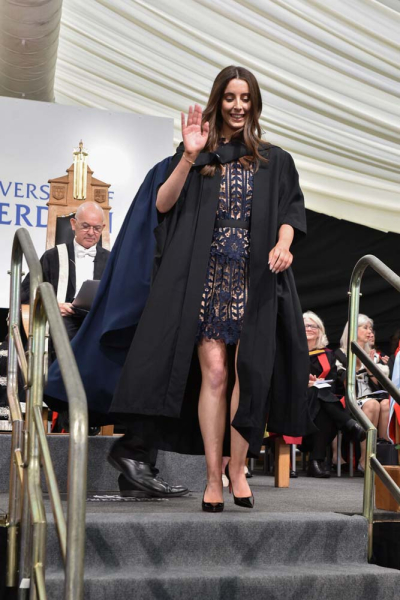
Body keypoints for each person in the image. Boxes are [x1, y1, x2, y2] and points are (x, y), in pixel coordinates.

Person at [107, 65, 314, 512]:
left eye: (245, 98)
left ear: (255, 104)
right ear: (218, 101)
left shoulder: (274, 159)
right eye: (230, 97)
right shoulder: (200, 153)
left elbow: (290, 211)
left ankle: (238, 469)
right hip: (207, 279)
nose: (238, 106)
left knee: (248, 374)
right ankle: (212, 477)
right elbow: (162, 204)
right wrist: (188, 155)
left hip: (255, 279)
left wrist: (283, 244)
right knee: (215, 375)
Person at [21, 201, 109, 341]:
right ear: (73, 224)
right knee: (63, 333)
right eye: (85, 226)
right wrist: (52, 306)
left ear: (103, 228)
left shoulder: (111, 260)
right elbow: (27, 293)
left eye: (97, 228)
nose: (91, 232)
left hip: (98, 319)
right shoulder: (52, 256)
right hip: (63, 319)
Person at [302, 311, 365, 478]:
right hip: (297, 401)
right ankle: (348, 424)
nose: (309, 328)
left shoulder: (328, 355)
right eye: (305, 325)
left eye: (313, 326)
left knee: (322, 403)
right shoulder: (291, 352)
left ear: (320, 331)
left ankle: (315, 463)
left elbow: (333, 383)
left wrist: (317, 384)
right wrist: (304, 383)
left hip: (320, 402)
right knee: (319, 396)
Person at [335, 315, 390, 472]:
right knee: (372, 404)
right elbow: (342, 383)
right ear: (353, 330)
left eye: (370, 328)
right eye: (365, 328)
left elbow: (380, 384)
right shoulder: (340, 354)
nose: (369, 332)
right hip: (352, 400)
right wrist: (358, 364)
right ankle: (365, 459)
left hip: (373, 397)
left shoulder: (374, 355)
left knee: (386, 404)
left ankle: (383, 454)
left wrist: (371, 367)